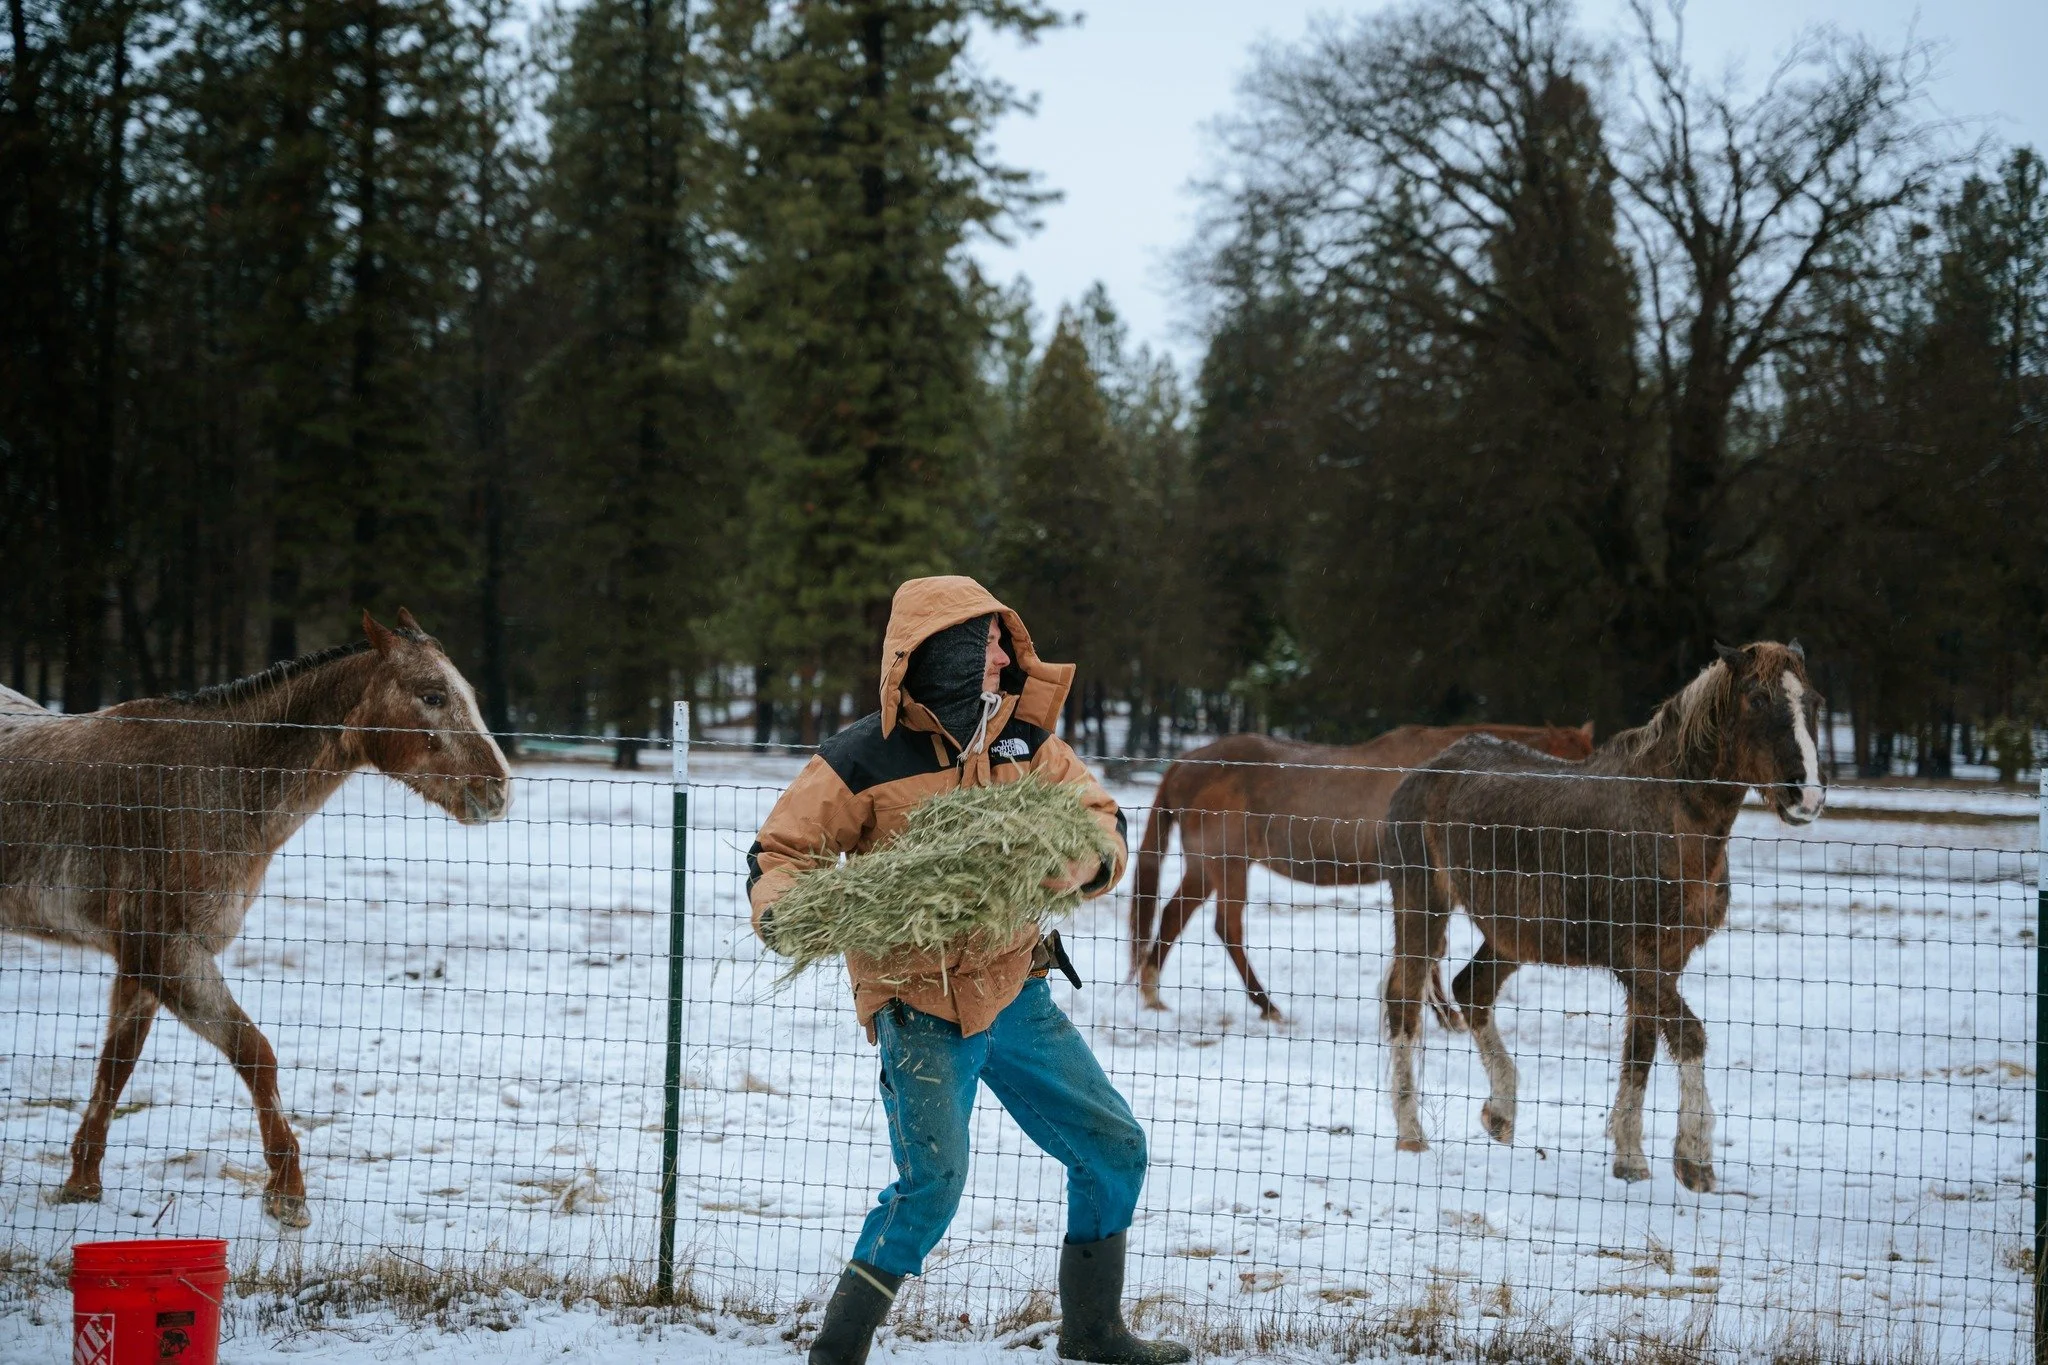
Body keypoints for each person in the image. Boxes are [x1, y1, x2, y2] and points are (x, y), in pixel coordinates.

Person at [748, 576, 1189, 1365]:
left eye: (1000, 637)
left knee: (1114, 1146)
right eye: (985, 639)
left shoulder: (1024, 739)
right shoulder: (862, 755)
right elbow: (781, 851)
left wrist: (1084, 864)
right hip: (918, 1002)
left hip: (1014, 985)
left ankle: (1092, 1331)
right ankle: (837, 1351)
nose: (1002, 652)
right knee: (933, 1185)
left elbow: (1100, 815)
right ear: (944, 651)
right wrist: (785, 909)